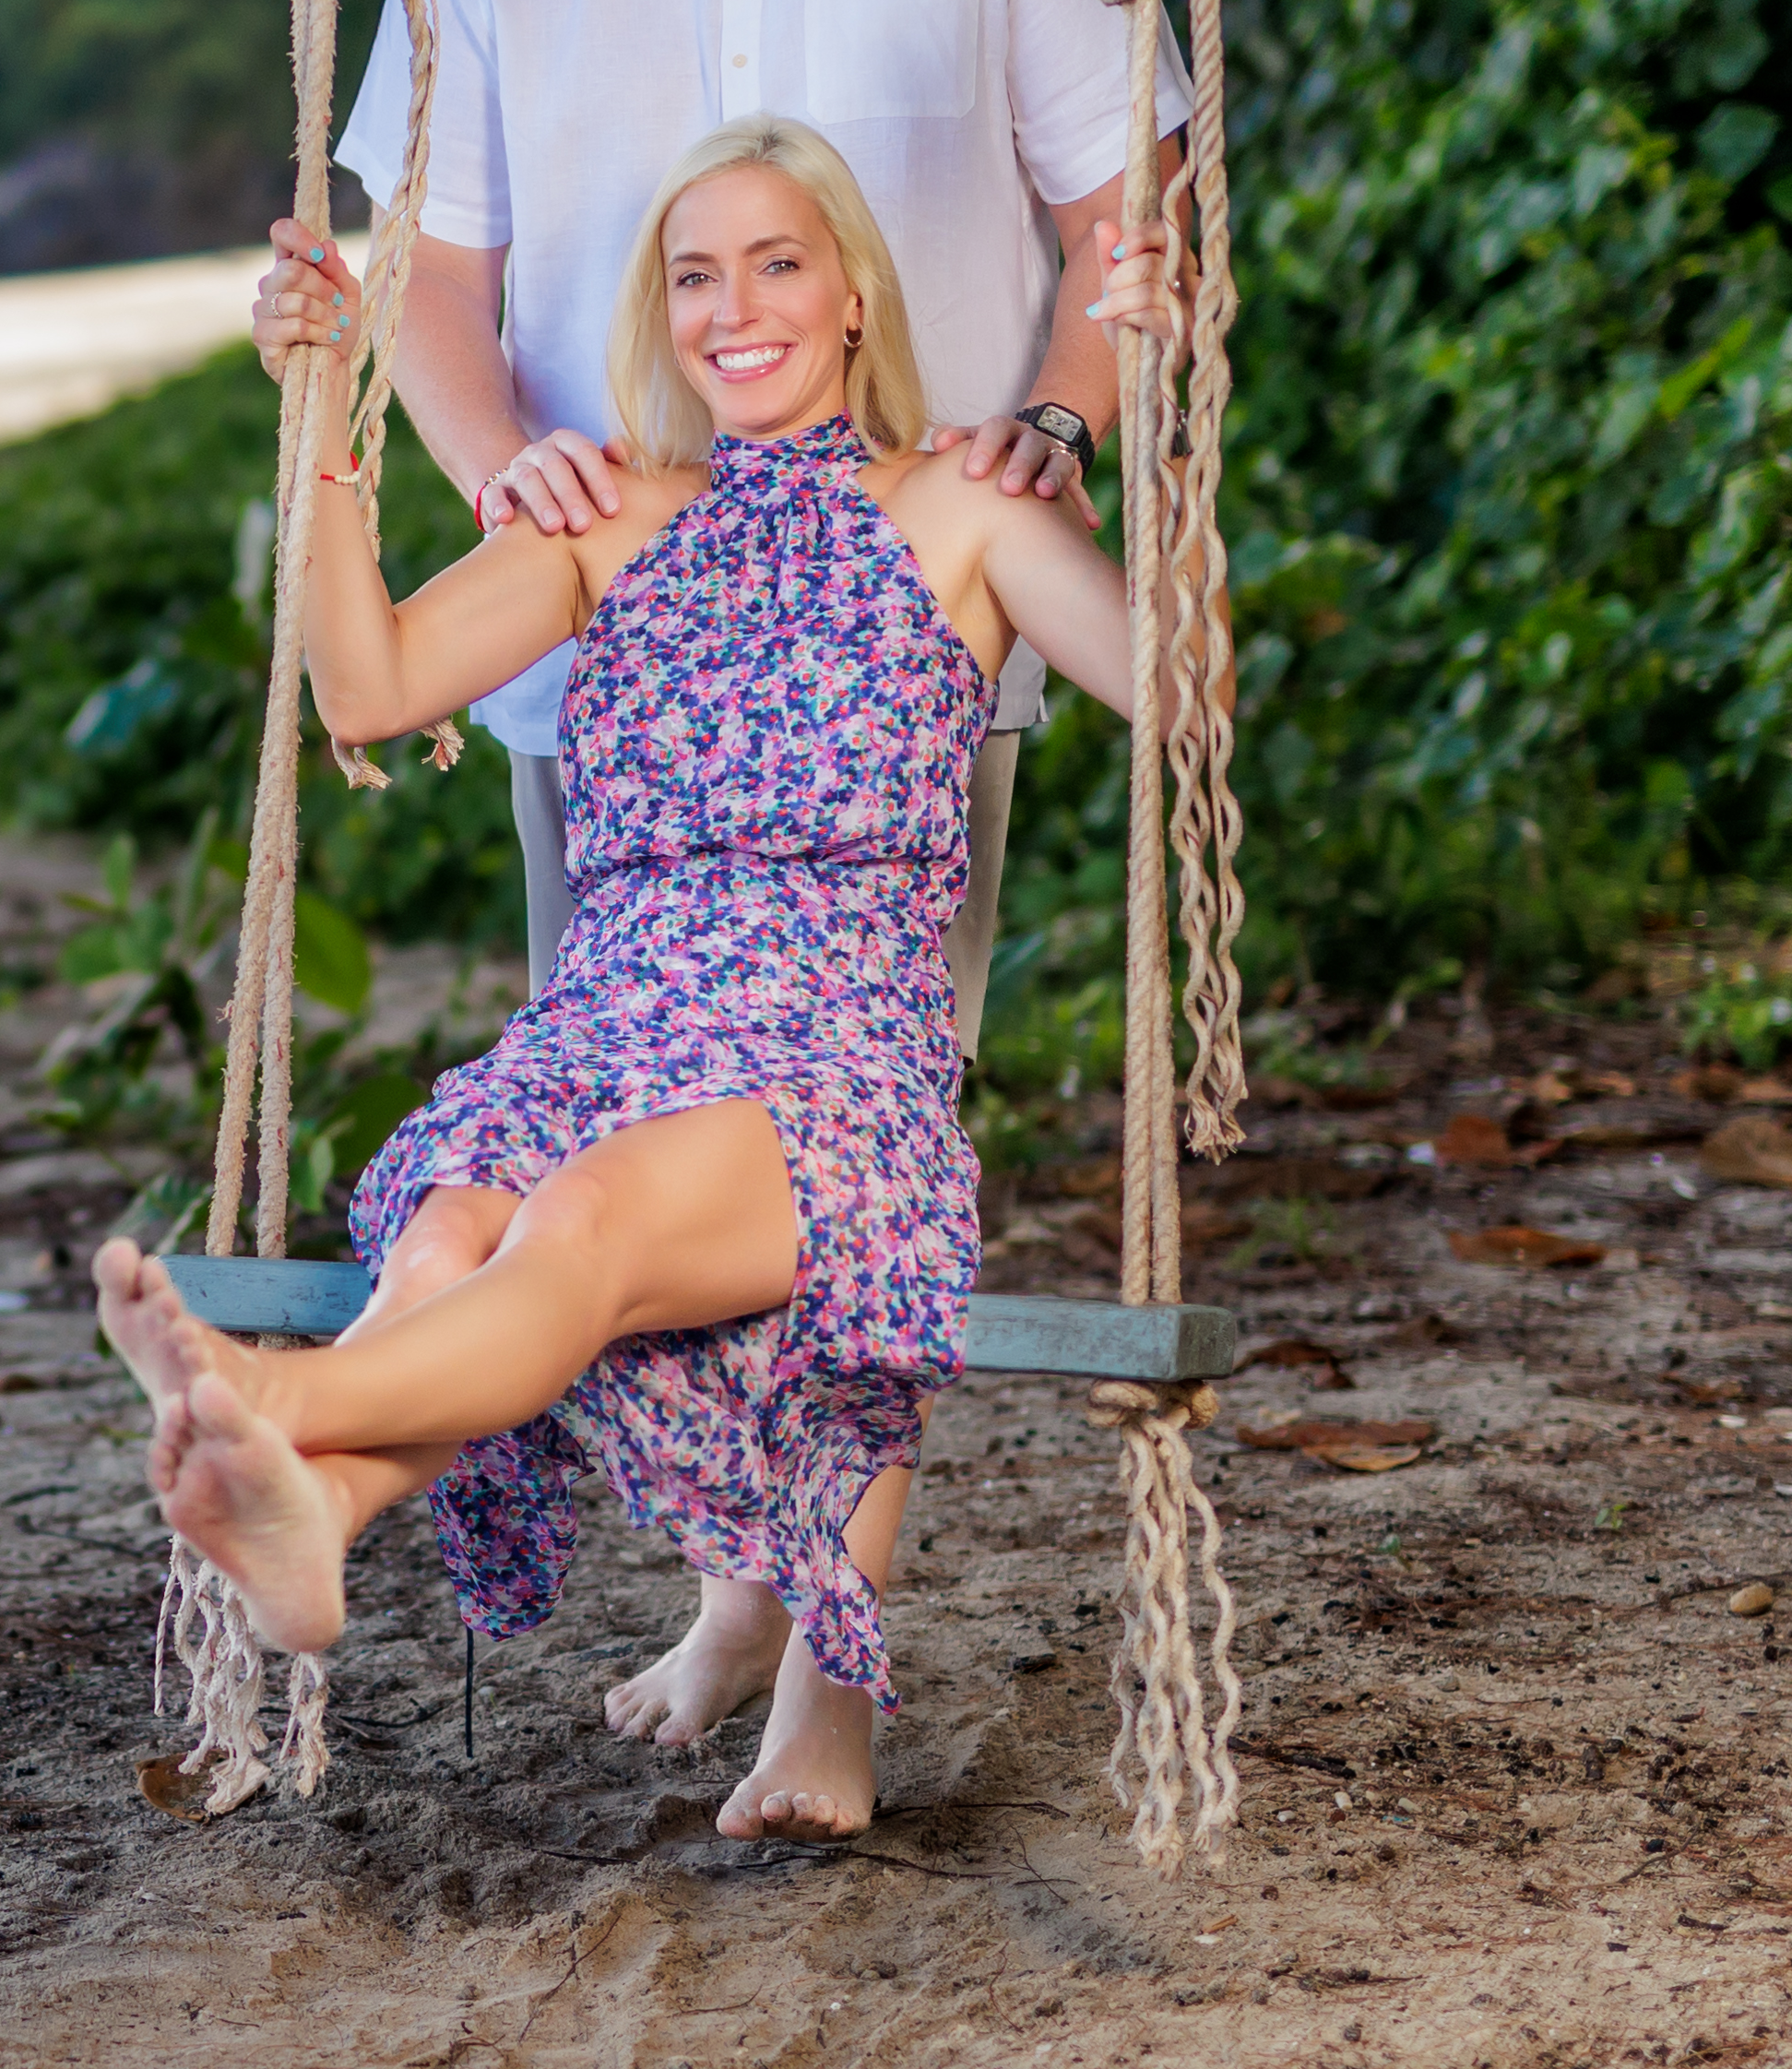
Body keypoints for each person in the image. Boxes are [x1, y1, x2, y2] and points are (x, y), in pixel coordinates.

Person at [103, 119, 1173, 1842]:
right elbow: (367, 690)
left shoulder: (963, 502)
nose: (730, 306)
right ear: (658, 310)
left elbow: (1177, 691)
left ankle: (287, 1415)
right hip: (603, 1027)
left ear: (847, 299)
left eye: (773, 264)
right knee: (447, 1229)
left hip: (822, 1051)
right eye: (693, 273)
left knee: (572, 1227)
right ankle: (310, 1506)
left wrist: (1169, 400)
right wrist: (318, 410)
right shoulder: (604, 511)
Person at [257, 0, 1179, 1018]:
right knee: (605, 1065)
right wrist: (499, 472)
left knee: (877, 1082)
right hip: (595, 626)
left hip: (914, 623)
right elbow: (431, 278)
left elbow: (1124, 216)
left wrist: (1068, 416)